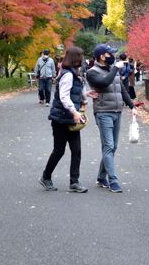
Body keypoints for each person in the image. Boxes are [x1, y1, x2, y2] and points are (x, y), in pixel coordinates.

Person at [86, 44, 135, 193]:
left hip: (117, 111)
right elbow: (104, 83)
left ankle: (101, 177)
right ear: (102, 56)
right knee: (108, 146)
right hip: (103, 112)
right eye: (109, 54)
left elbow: (122, 90)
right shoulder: (92, 72)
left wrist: (132, 106)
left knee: (112, 147)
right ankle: (113, 181)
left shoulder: (112, 71)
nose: (112, 56)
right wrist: (116, 69)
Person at [39, 47, 87, 193]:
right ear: (75, 58)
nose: (83, 60)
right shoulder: (68, 75)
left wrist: (86, 96)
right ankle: (46, 177)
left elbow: (75, 92)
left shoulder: (74, 73)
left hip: (71, 119)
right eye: (81, 57)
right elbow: (64, 97)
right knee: (59, 150)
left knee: (76, 150)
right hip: (60, 118)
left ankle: (74, 182)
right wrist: (74, 112)